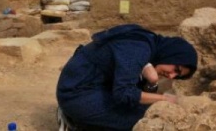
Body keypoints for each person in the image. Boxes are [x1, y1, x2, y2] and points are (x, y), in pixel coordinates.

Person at [56, 24, 198, 131]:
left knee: (145, 106)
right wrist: (164, 99)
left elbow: (135, 89)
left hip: (91, 87)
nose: (172, 75)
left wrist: (152, 82)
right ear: (172, 54)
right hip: (75, 94)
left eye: (177, 76)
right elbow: (124, 94)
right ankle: (74, 120)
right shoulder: (138, 49)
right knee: (150, 117)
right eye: (176, 69)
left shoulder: (149, 46)